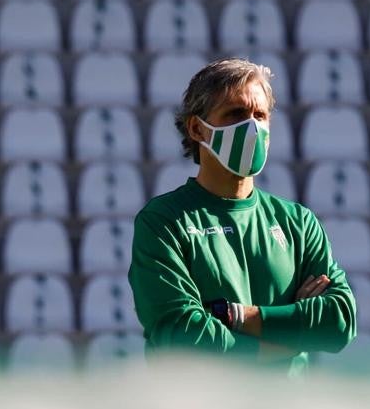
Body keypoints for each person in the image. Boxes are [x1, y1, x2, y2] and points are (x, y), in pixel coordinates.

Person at [128, 58, 357, 376]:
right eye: (236, 113)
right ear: (197, 129)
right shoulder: (164, 221)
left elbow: (338, 322)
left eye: (260, 115)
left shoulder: (298, 222)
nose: (252, 126)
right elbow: (181, 336)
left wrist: (237, 317)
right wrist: (288, 339)